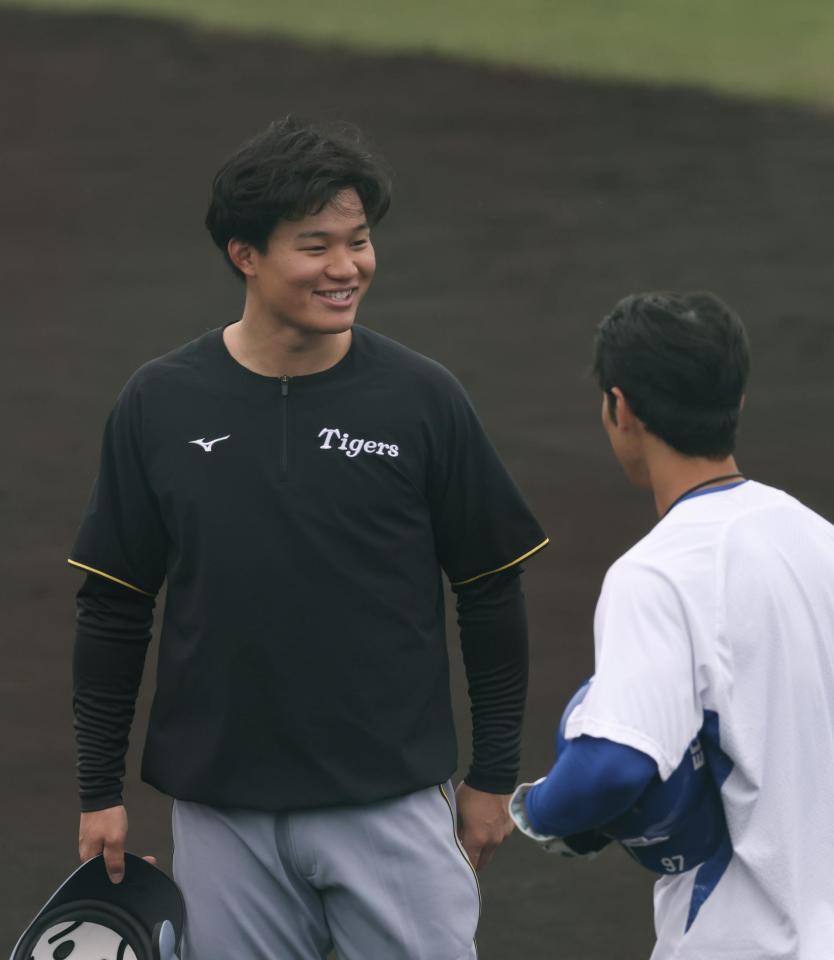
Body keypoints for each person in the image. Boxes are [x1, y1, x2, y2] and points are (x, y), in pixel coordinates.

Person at [67, 116, 548, 960]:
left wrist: (493, 775)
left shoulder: (423, 400)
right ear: (245, 255)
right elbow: (113, 606)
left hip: (391, 808)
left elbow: (490, 589)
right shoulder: (159, 404)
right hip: (223, 821)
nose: (346, 267)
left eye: (358, 242)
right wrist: (98, 790)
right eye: (315, 245)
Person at [511, 292, 834, 958]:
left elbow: (610, 767)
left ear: (620, 408)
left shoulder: (657, 573)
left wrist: (535, 812)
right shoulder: (819, 540)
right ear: (737, 400)